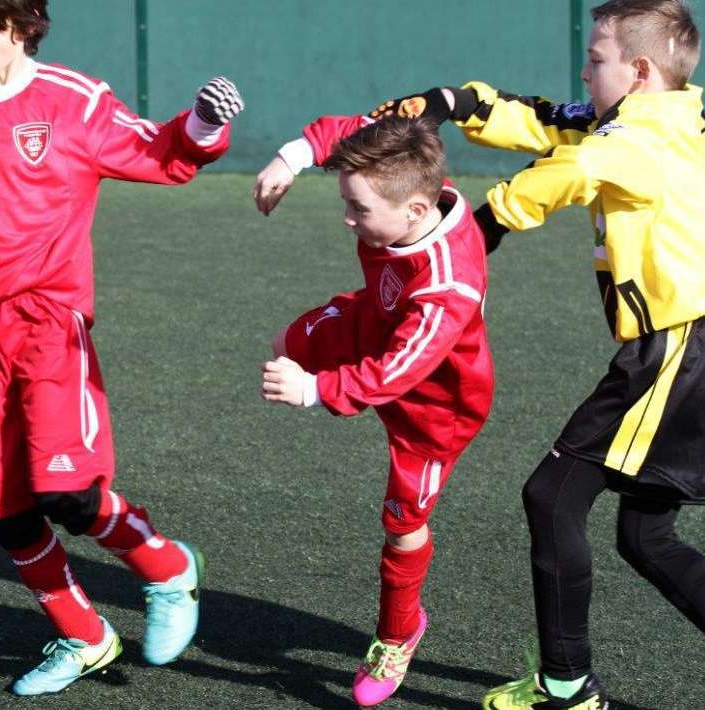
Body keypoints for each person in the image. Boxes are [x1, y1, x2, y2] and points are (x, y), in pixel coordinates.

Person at [255, 1, 705, 707]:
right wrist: (458, 103)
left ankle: (566, 689)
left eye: (596, 59)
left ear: (640, 70)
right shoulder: (676, 113)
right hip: (679, 347)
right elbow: (547, 121)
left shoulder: (628, 144)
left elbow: (567, 171)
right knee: (646, 534)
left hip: (677, 350)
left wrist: (480, 225)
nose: (584, 71)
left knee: (553, 497)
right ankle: (566, 684)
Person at [0, 0, 243, 697]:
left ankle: (164, 569)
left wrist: (204, 124)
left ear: (18, 26)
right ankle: (83, 635)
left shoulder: (73, 100)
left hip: (48, 320)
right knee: (3, 513)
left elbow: (161, 151)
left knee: (67, 491)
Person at [261, 117, 494, 707]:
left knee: (403, 526)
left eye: (359, 210)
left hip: (436, 408)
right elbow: (352, 126)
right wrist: (292, 157)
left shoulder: (448, 288)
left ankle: (397, 633)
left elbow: (395, 375)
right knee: (284, 343)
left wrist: (314, 390)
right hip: (375, 320)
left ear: (415, 211)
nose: (348, 220)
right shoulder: (401, 163)